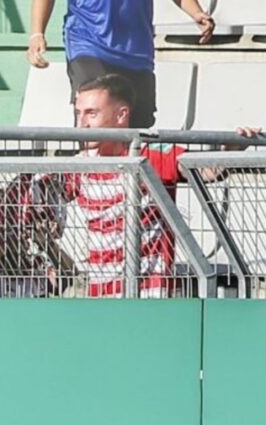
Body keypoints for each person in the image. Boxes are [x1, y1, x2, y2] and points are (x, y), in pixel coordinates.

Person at [56, 74, 259, 297]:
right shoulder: (80, 164)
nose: (81, 124)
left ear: (121, 115)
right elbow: (34, 203)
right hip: (101, 296)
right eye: (78, 114)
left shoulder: (151, 155)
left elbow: (207, 172)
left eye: (91, 114)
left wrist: (232, 151)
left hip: (153, 295)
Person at [26, 0, 215, 128]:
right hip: (88, 44)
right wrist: (37, 34)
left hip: (137, 52)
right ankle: (89, 181)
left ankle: (130, 187)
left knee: (138, 129)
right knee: (95, 115)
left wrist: (196, 12)